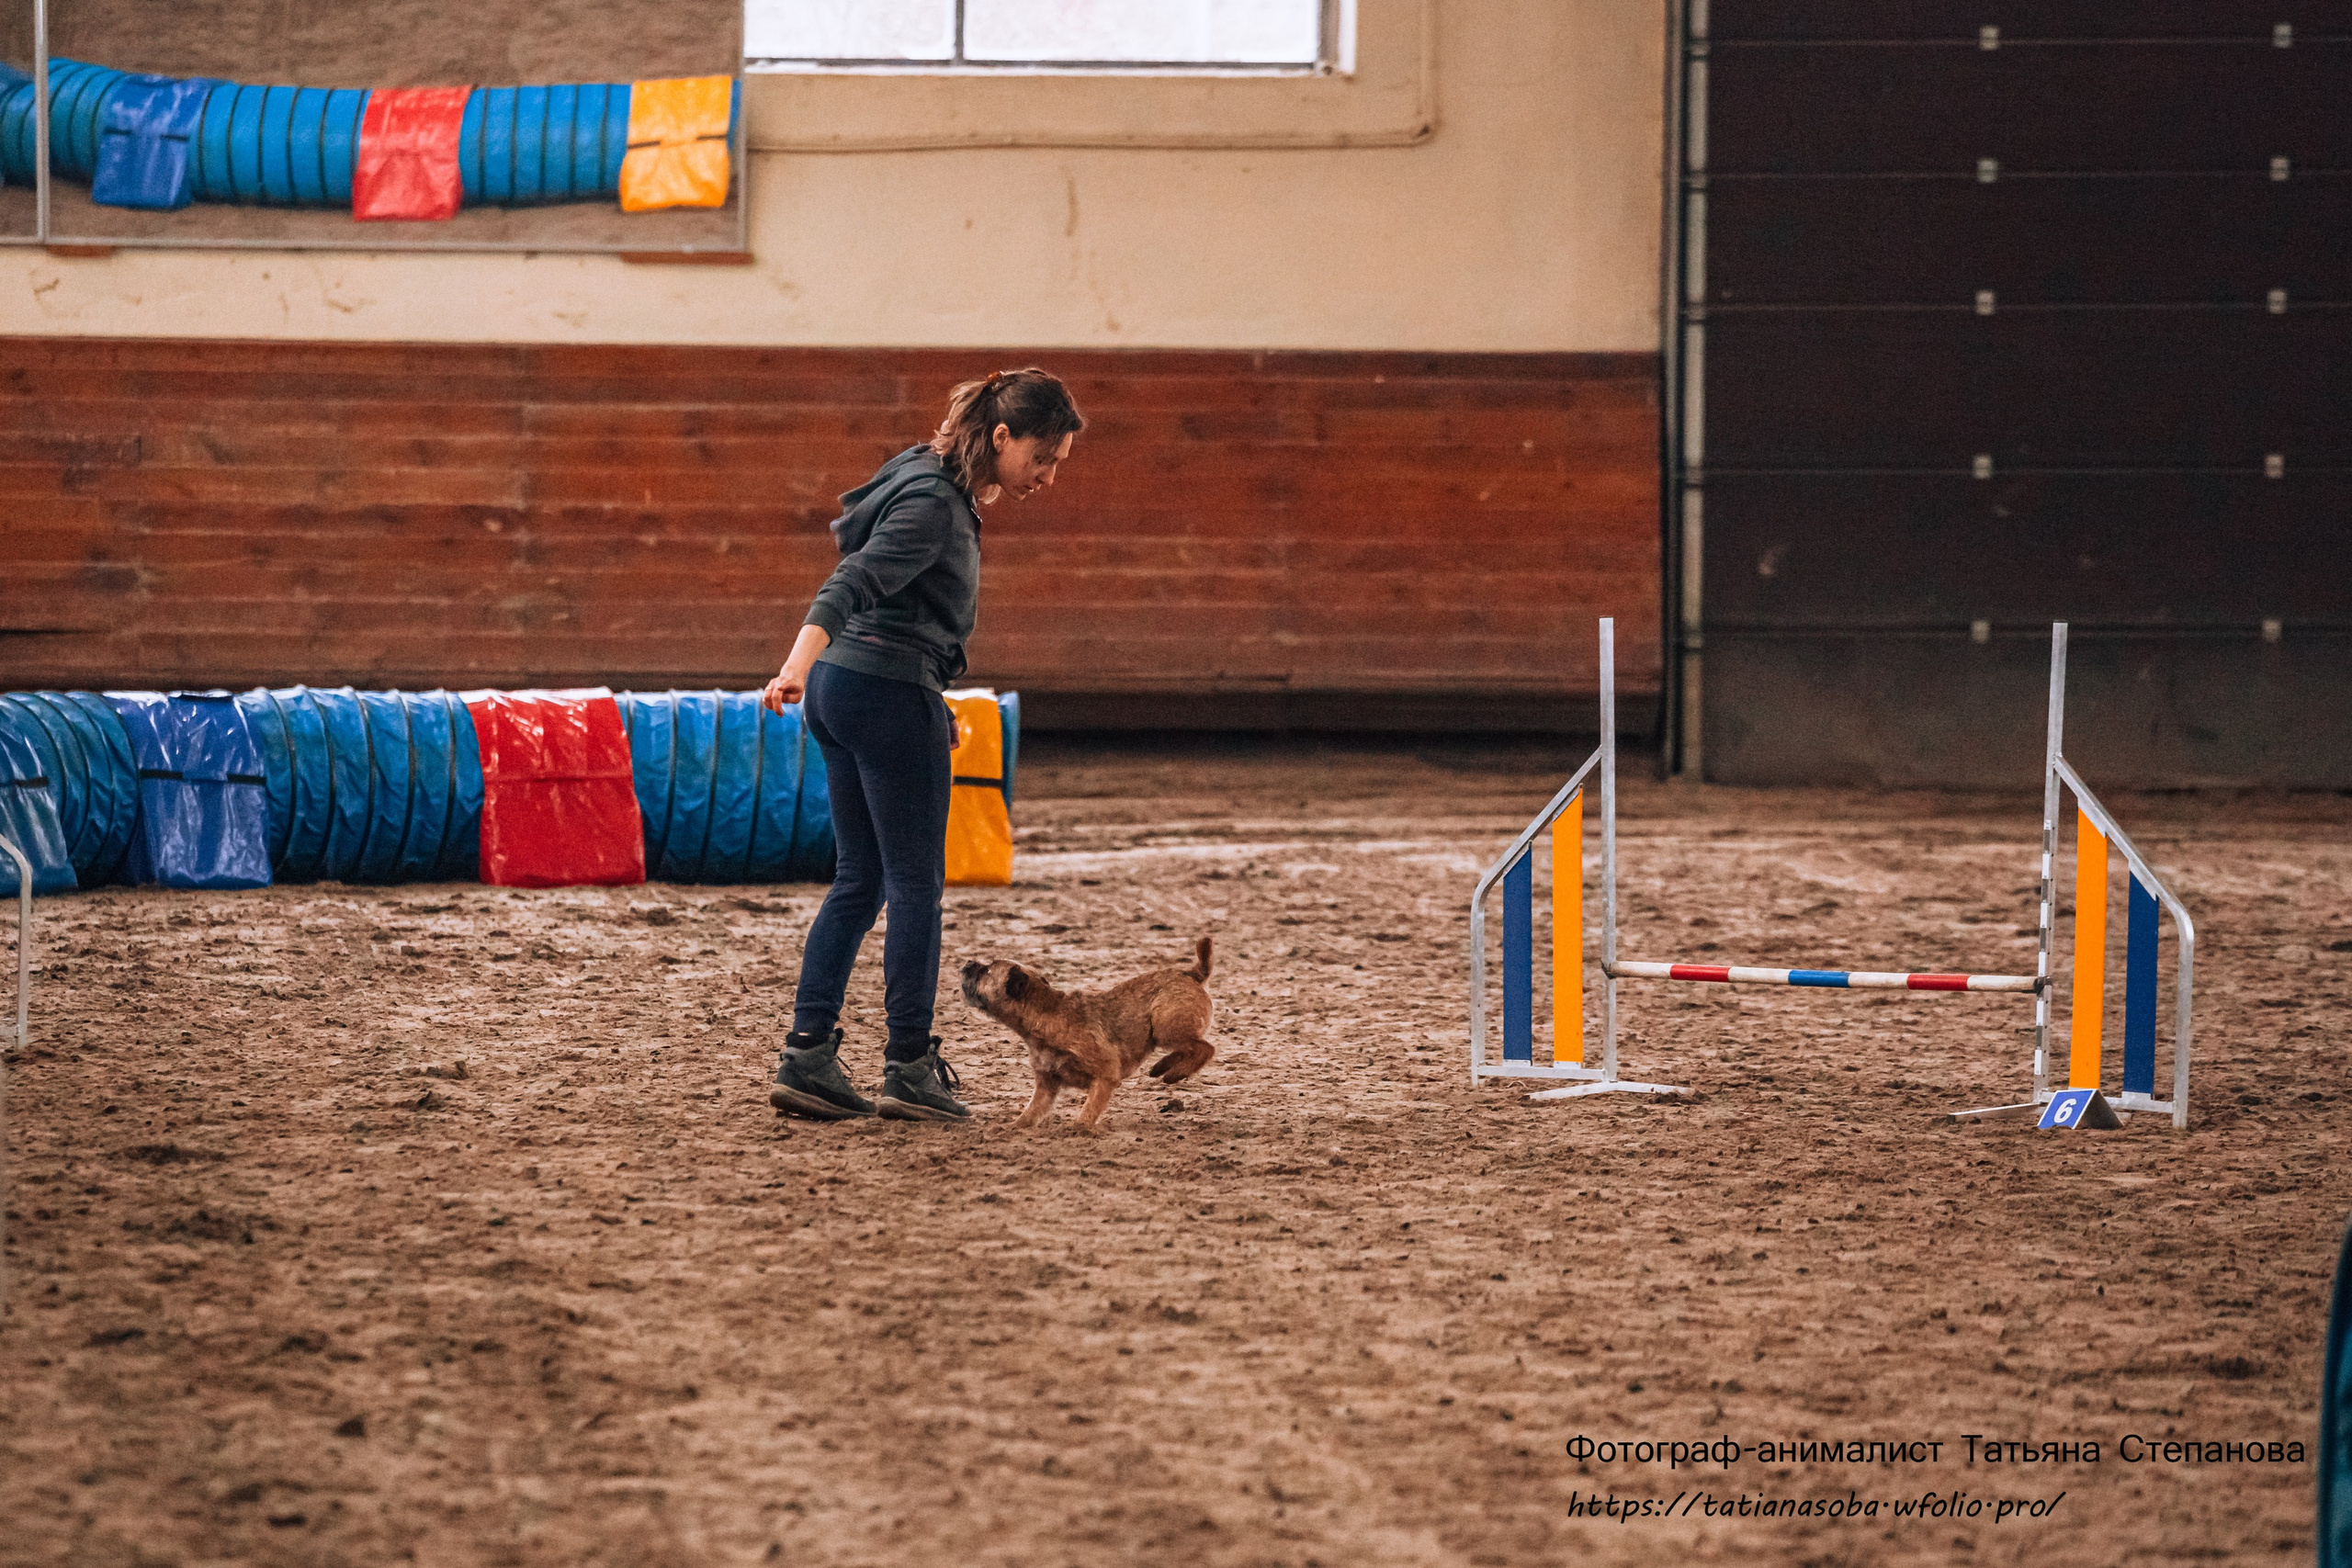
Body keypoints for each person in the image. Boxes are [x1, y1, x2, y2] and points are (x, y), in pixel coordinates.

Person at [761, 368, 1084, 1122]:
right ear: (1002, 437)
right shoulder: (938, 506)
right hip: (877, 691)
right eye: (1044, 457)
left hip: (846, 694)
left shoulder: (920, 466)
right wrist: (792, 667)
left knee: (858, 880)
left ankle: (807, 1056)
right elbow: (850, 579)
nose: (1048, 476)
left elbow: (854, 538)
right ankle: (908, 1065)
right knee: (914, 887)